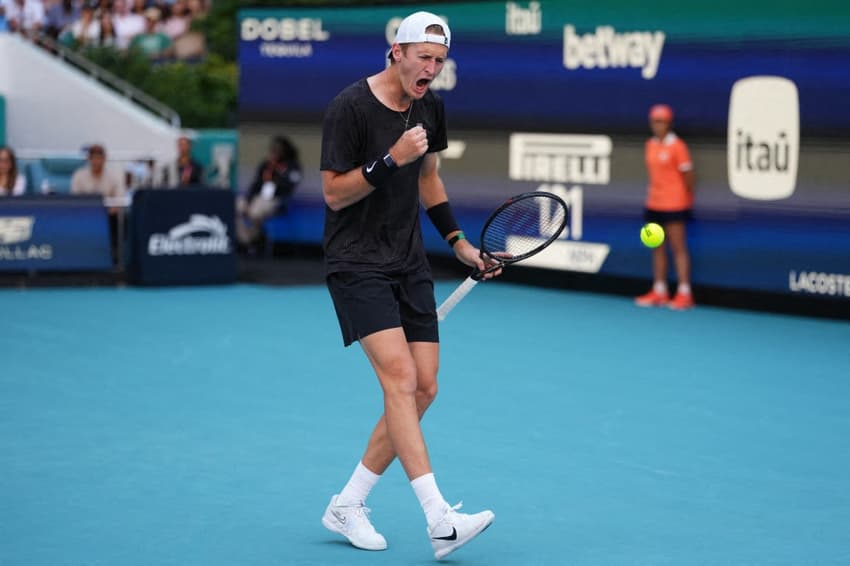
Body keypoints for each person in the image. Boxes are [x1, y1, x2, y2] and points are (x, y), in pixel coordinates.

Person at [318, 11, 500, 560]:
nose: (432, 69)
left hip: (408, 261)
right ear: (397, 52)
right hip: (356, 262)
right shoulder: (350, 107)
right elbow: (333, 194)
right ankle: (439, 518)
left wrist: (459, 242)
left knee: (423, 388)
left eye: (440, 61)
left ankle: (348, 503)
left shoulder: (429, 107)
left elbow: (429, 178)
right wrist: (389, 160)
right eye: (424, 57)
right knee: (399, 379)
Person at [635, 104, 696, 310]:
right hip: (654, 203)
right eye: (654, 121)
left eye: (661, 121)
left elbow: (688, 176)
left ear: (669, 123)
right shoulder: (650, 144)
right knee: (657, 247)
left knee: (678, 248)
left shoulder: (678, 146)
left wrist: (684, 198)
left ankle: (684, 293)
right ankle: (659, 290)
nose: (657, 125)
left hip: (675, 204)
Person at [235, 135, 301, 251]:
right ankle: (246, 239)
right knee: (236, 206)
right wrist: (248, 200)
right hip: (257, 198)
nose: (275, 152)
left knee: (255, 213)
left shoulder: (292, 166)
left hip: (275, 200)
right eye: (273, 149)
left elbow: (288, 188)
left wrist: (276, 178)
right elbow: (255, 184)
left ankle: (253, 240)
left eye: (278, 149)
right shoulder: (266, 164)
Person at [71, 143, 127, 263]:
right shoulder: (79, 175)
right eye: (94, 158)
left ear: (104, 159)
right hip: (84, 214)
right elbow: (74, 199)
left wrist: (112, 208)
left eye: (99, 158)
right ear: (89, 159)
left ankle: (113, 257)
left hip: (107, 215)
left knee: (117, 220)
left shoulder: (113, 176)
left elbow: (120, 198)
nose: (97, 162)